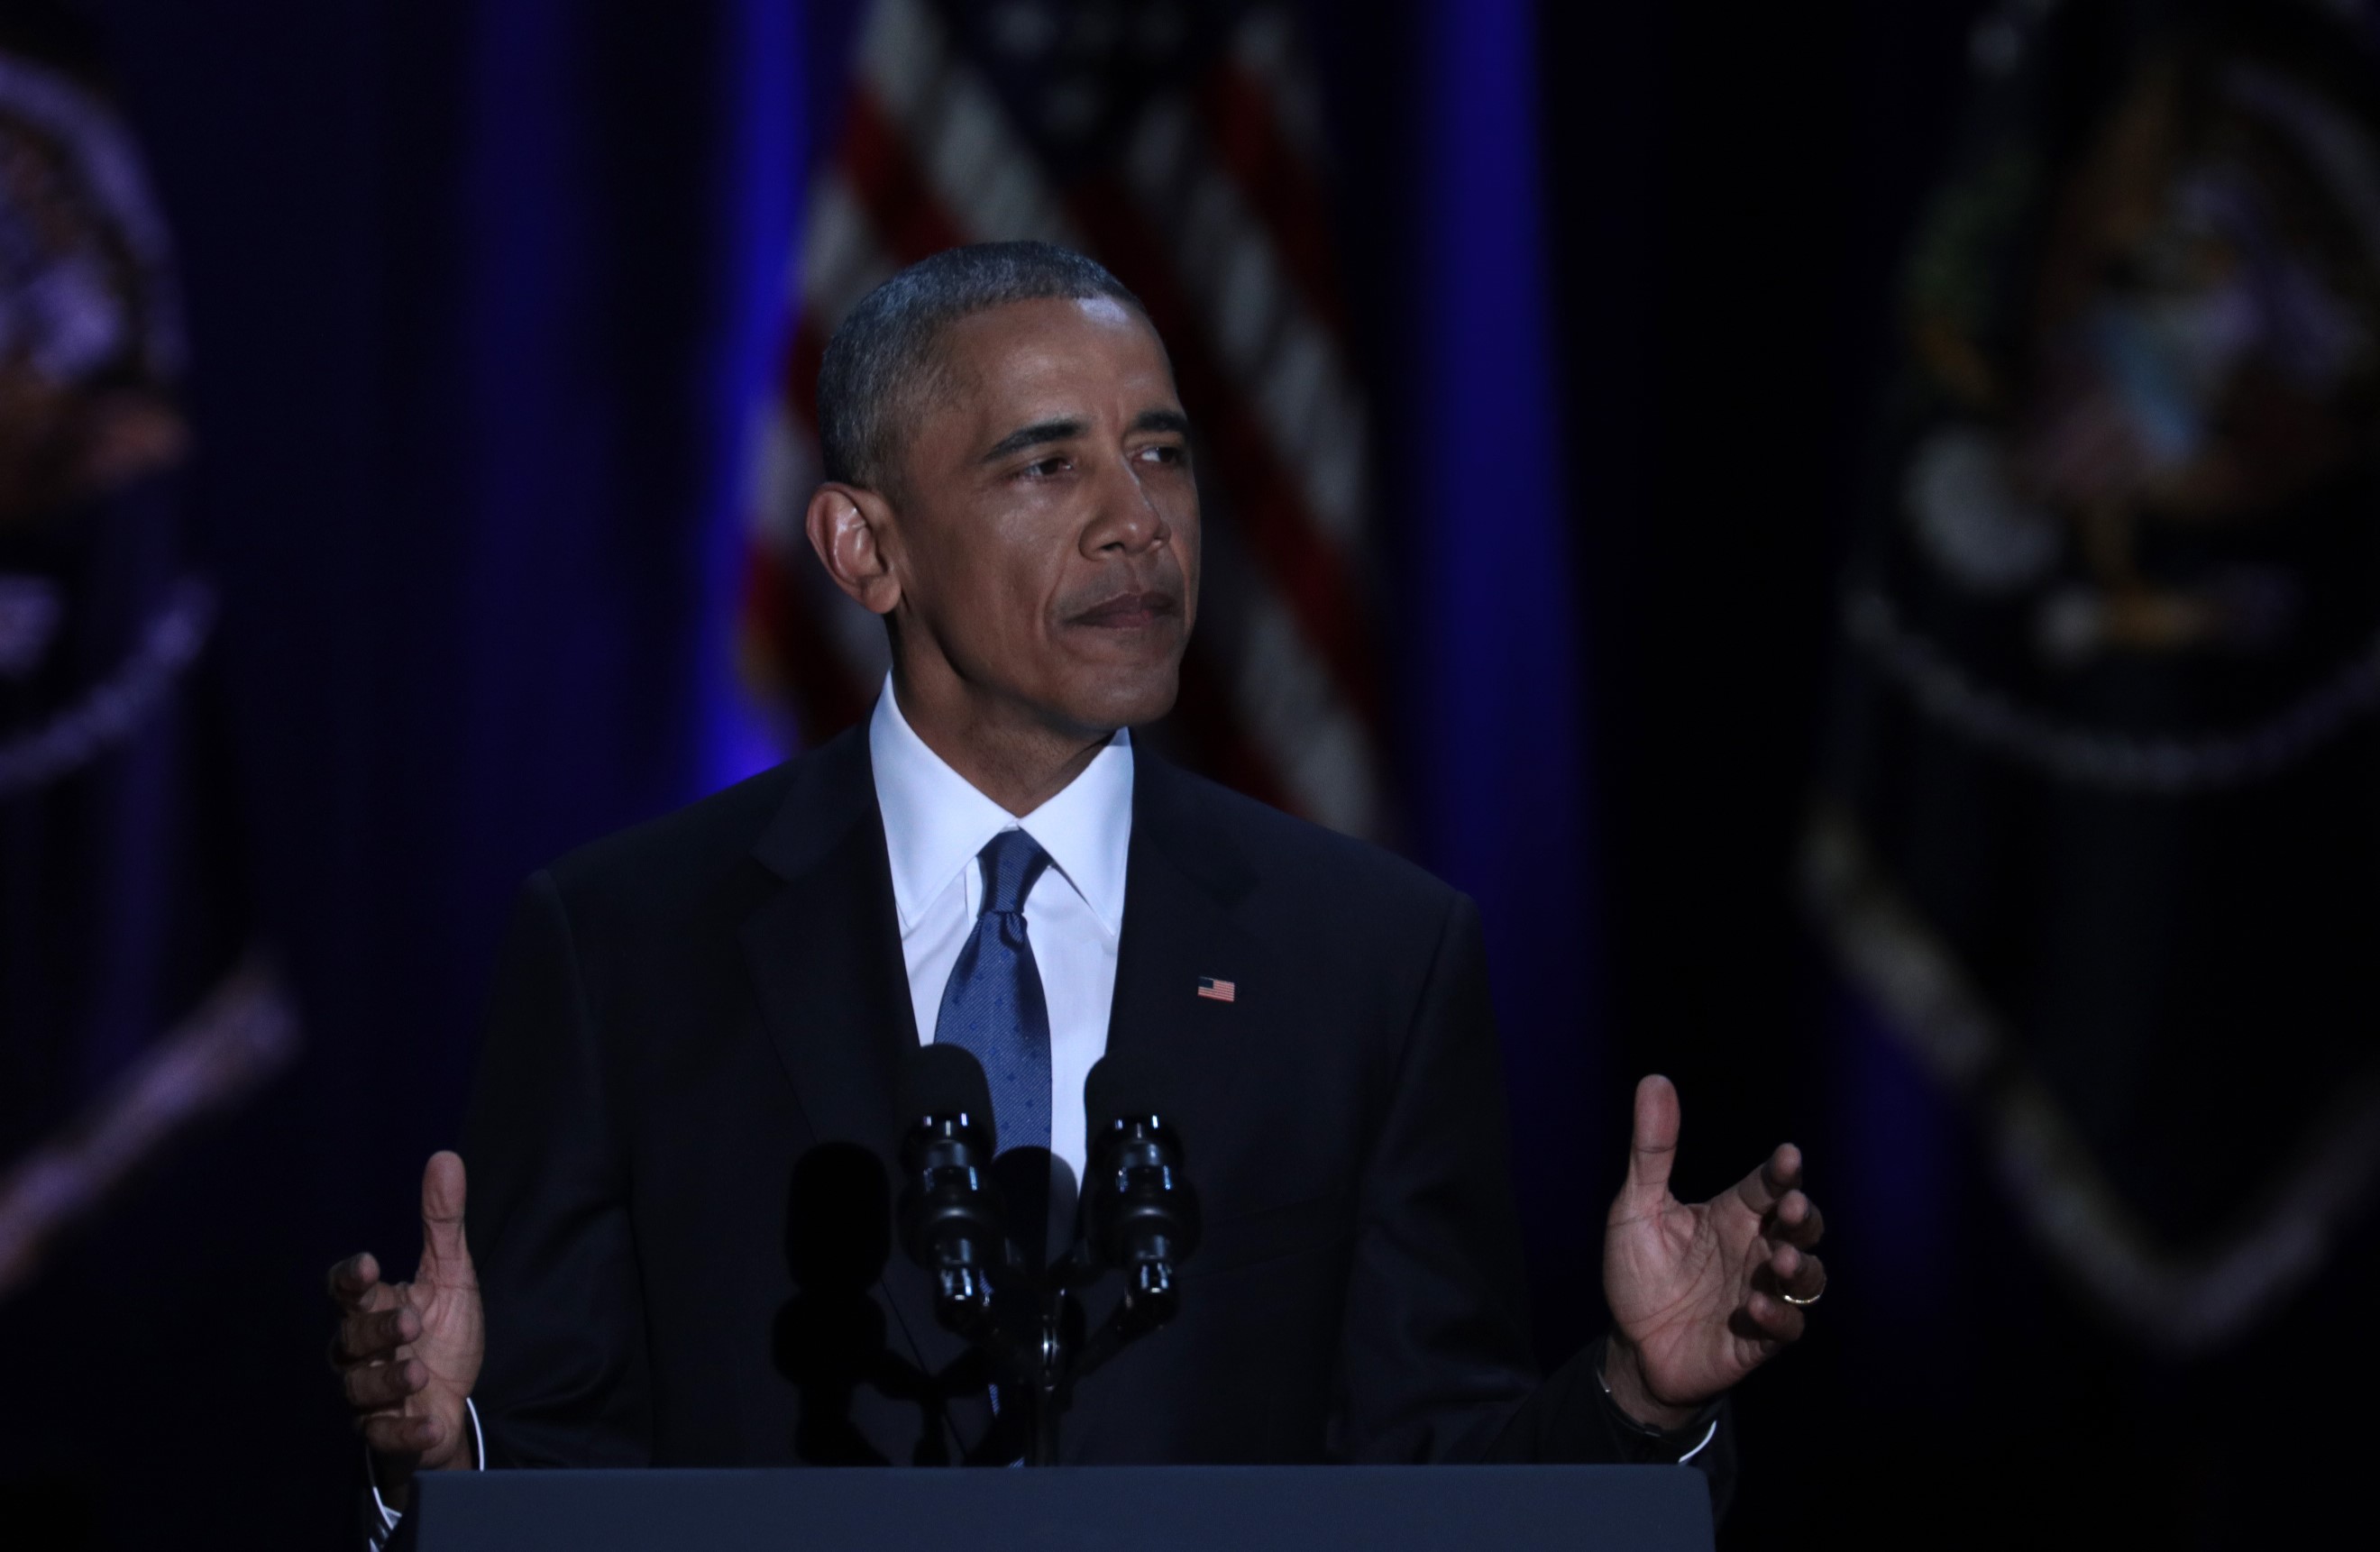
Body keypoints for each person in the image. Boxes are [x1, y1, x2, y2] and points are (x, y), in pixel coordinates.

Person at [326, 242, 1826, 1535]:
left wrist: (1637, 1399)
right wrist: (448, 1455)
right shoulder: (622, 944)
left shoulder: (1372, 954)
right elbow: (571, 1483)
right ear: (866, 546)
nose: (1140, 523)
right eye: (1049, 463)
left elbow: (1428, 1478)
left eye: (1161, 452)